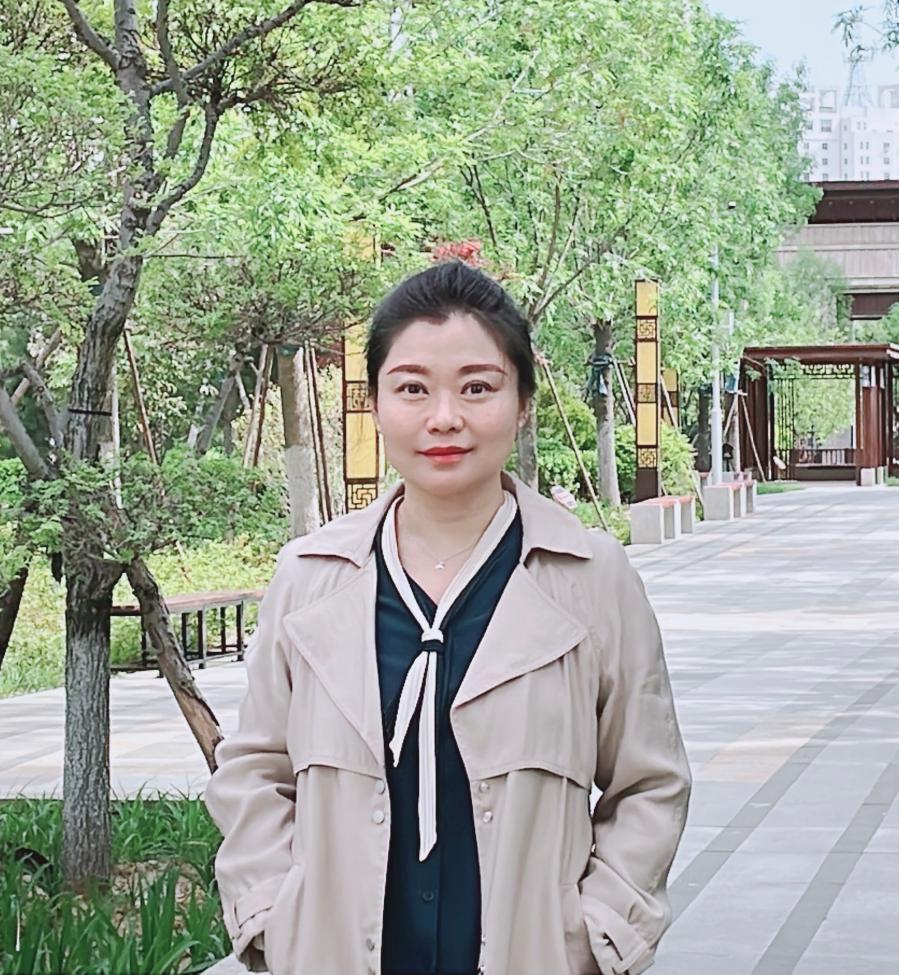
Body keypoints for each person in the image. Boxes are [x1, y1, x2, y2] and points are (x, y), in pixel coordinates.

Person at [204, 262, 691, 975]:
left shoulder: (591, 579)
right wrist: (273, 916)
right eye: (412, 388)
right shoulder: (310, 579)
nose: (444, 417)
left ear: (523, 403)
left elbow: (649, 783)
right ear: (375, 403)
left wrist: (597, 935)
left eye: (477, 387)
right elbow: (254, 770)